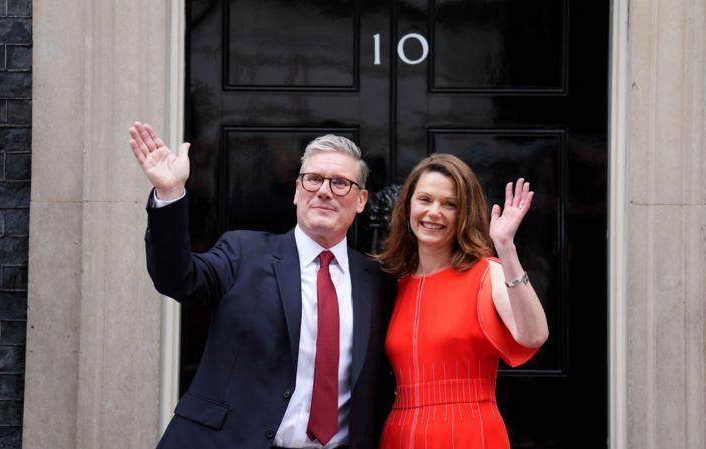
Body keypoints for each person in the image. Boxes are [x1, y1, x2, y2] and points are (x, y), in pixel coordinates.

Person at [128, 122, 393, 449]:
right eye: (313, 179)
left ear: (361, 199)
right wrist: (169, 194)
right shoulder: (243, 252)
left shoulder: (379, 281)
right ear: (297, 190)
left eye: (340, 183)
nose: (324, 191)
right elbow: (178, 278)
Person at [376, 154, 549, 449]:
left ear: (464, 213)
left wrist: (506, 248)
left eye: (449, 204)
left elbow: (533, 336)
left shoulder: (488, 272)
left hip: (469, 432)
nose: (434, 212)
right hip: (400, 434)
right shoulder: (394, 283)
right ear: (407, 207)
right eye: (425, 199)